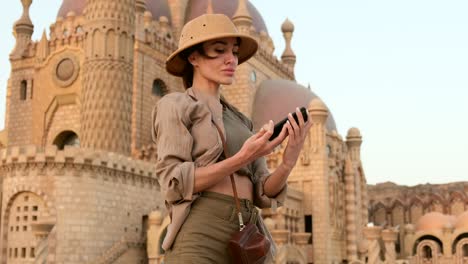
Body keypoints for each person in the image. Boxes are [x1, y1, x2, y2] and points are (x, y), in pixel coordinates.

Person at [152, 14, 313, 263]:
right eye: (219, 51)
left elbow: (263, 192)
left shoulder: (241, 121)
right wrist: (243, 157)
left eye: (235, 52)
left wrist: (288, 162)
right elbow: (174, 182)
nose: (231, 60)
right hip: (201, 233)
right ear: (193, 57)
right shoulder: (175, 105)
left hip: (248, 232)